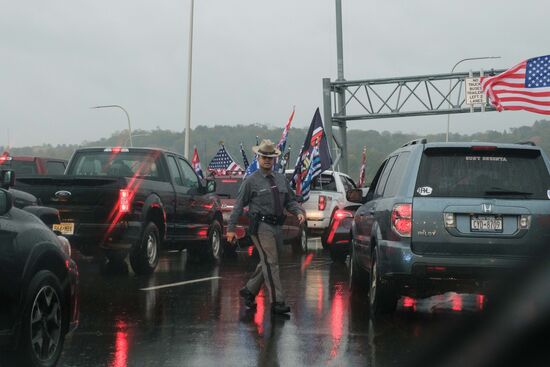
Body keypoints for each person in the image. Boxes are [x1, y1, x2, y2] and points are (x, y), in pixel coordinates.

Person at [227, 139, 305, 315]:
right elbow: (238, 205)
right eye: (264, 157)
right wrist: (230, 228)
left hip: (278, 226)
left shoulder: (280, 179)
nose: (267, 160)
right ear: (258, 158)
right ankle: (277, 302)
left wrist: (298, 211)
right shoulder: (251, 181)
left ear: (274, 159)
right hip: (261, 226)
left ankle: (249, 290)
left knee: (269, 262)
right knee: (272, 262)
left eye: (270, 157)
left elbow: (290, 200)